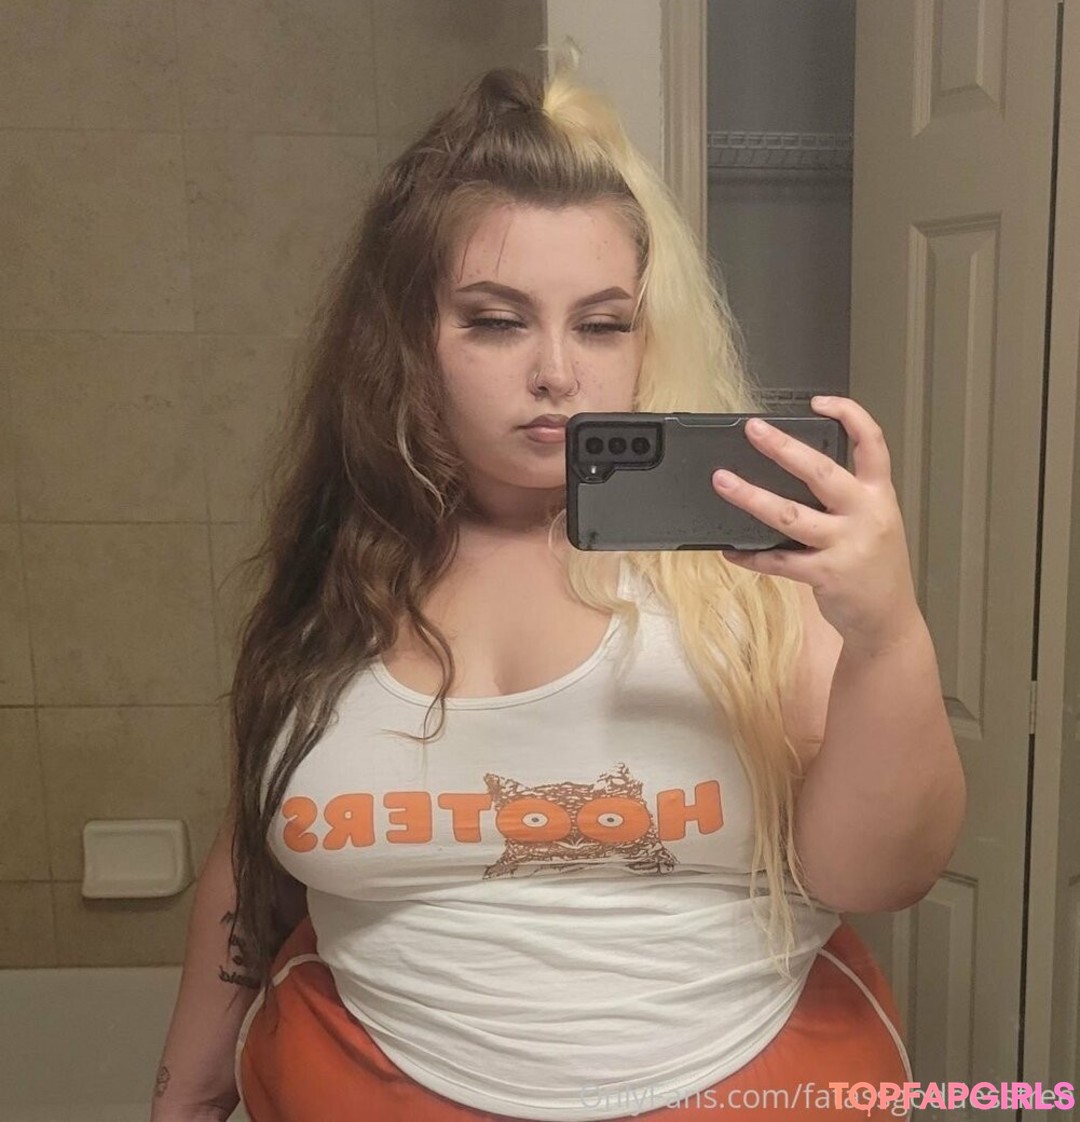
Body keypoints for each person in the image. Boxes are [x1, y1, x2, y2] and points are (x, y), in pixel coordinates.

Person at [151, 46, 965, 1122]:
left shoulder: (748, 578)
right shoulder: (330, 585)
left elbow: (881, 877)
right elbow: (254, 855)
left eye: (601, 322)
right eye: (496, 321)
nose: (557, 372)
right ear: (405, 339)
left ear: (645, 335)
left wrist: (888, 634)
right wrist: (186, 1095)